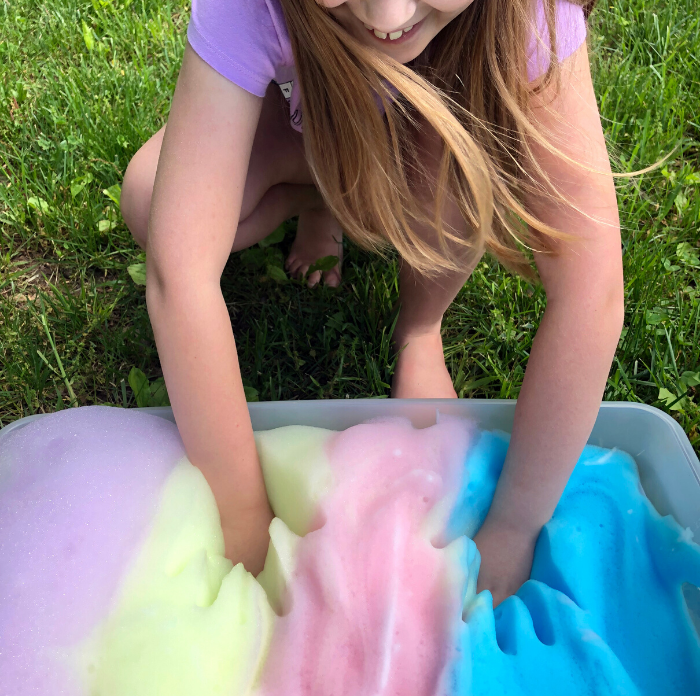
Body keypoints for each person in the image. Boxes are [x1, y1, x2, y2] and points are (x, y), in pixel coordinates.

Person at [119, 0, 623, 607]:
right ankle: (325, 200)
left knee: (458, 160)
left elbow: (590, 289)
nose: (386, 14)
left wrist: (515, 526)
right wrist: (245, 518)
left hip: (433, 150)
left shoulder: (526, 15)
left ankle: (420, 326)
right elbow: (180, 272)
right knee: (152, 201)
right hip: (310, 129)